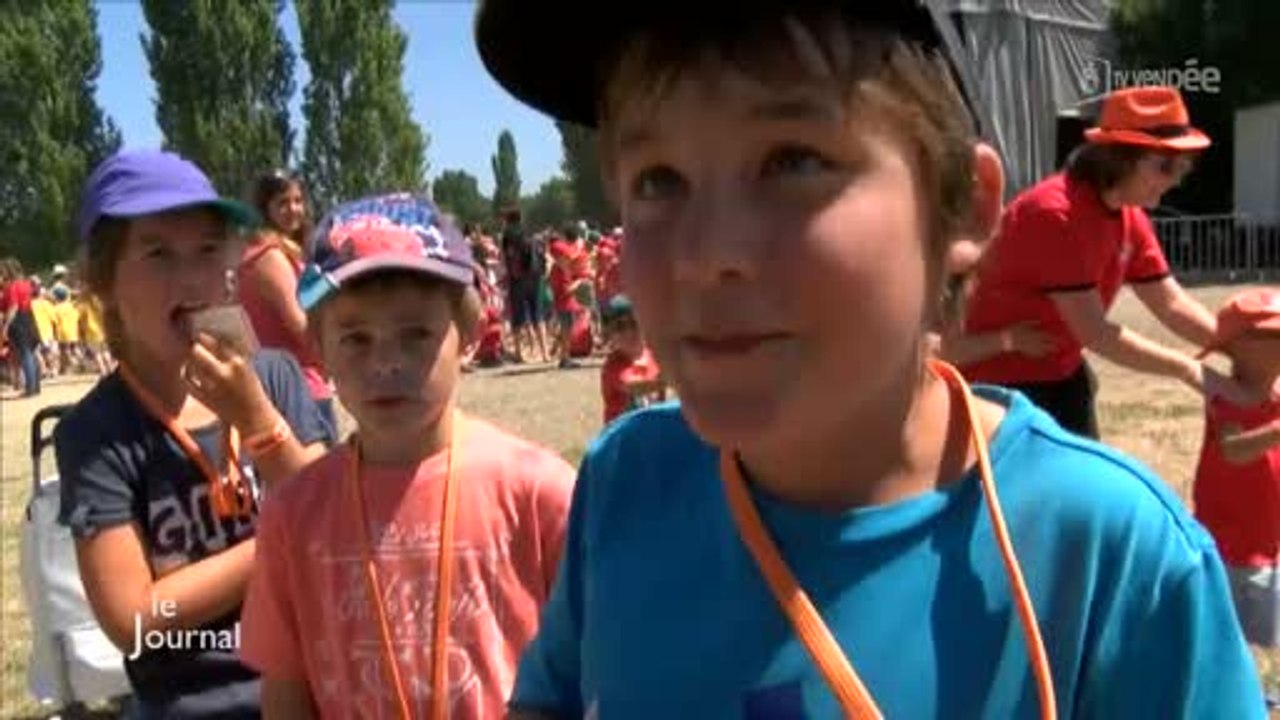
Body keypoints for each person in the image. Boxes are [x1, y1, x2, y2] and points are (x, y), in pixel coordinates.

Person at [475, 2, 1266, 717]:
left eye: (792, 161)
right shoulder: (625, 483)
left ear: (964, 207)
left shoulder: (1110, 560)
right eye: (657, 180)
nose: (705, 254)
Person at [238, 193, 575, 719]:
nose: (386, 362)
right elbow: (286, 691)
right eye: (356, 338)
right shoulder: (293, 513)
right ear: (319, 348)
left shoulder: (540, 492)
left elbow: (598, 668)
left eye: (415, 334)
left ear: (468, 334)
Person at [55, 149, 334, 719]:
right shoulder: (98, 431)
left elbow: (334, 527)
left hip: (317, 681)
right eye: (158, 253)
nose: (191, 277)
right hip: (194, 701)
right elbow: (135, 621)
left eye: (208, 250)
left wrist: (258, 423)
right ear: (103, 282)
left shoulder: (274, 378)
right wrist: (280, 543)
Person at [949, 85, 1222, 439]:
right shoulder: (1054, 214)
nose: (1176, 179)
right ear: (1120, 158)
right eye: (1167, 166)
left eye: (1183, 167)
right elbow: (1096, 333)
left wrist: (1245, 347)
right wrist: (1189, 369)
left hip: (1061, 374)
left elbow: (1172, 304)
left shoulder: (1130, 218)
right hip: (998, 386)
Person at [1191, 288, 1280, 651]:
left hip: (1267, 544)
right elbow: (1233, 450)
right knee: (1224, 642)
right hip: (1227, 548)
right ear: (1237, 347)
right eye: (1273, 336)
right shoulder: (1226, 396)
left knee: (1263, 645)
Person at [238, 170, 336, 434]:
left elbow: (305, 301)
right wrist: (334, 359)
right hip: (300, 389)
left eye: (298, 200)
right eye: (282, 202)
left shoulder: (275, 252)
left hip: (290, 385)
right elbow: (300, 323)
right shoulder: (268, 255)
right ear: (264, 208)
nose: (293, 209)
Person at [599, 295, 664, 425]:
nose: (629, 332)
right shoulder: (613, 365)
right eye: (619, 327)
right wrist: (673, 380)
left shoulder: (655, 357)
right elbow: (634, 388)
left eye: (634, 323)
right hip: (622, 433)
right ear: (609, 334)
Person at [501, 207, 550, 363]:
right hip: (535, 277)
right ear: (520, 218)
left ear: (507, 220)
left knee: (518, 317)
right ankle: (545, 353)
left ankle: (519, 353)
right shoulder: (529, 233)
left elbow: (506, 257)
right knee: (538, 315)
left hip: (517, 279)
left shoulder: (508, 236)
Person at [1, 257, 41, 396]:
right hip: (29, 317)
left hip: (18, 320)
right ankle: (35, 387)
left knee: (25, 354)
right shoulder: (25, 284)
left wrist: (6, 326)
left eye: (3, 271)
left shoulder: (13, 286)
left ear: (9, 271)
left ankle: (30, 388)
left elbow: (13, 307)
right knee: (31, 352)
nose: (2, 274)